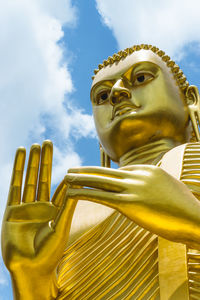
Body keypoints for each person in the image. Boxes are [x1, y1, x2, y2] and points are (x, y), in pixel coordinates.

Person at [2, 44, 200, 300]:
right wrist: (29, 277)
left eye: (140, 78)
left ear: (191, 99)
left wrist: (191, 221)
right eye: (102, 97)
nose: (117, 93)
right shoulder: (68, 208)